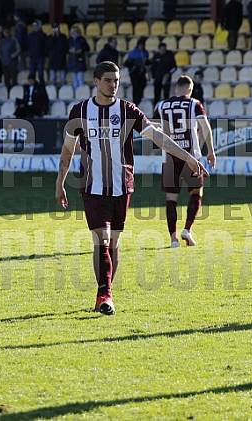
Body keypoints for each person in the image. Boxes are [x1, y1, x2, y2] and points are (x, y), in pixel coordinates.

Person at [55, 61, 209, 315]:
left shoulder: (127, 110)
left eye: (116, 80)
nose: (113, 85)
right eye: (108, 80)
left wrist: (188, 157)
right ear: (96, 81)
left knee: (114, 242)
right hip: (92, 186)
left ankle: (105, 293)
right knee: (102, 239)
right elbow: (68, 149)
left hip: (122, 186)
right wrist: (59, 181)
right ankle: (105, 294)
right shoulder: (79, 111)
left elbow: (158, 136)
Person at [153, 75, 216, 248]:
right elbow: (205, 127)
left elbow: (155, 129)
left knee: (171, 198)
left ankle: (173, 239)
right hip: (191, 157)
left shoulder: (161, 105)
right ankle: (187, 229)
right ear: (190, 89)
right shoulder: (194, 104)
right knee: (196, 192)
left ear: (176, 89)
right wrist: (210, 151)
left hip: (169, 157)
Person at [125, 37, 149, 105]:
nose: (141, 47)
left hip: (142, 72)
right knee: (135, 87)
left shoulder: (145, 53)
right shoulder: (133, 53)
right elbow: (127, 63)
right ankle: (135, 101)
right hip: (134, 72)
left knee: (142, 85)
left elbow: (147, 63)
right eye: (140, 45)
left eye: (142, 45)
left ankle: (139, 99)